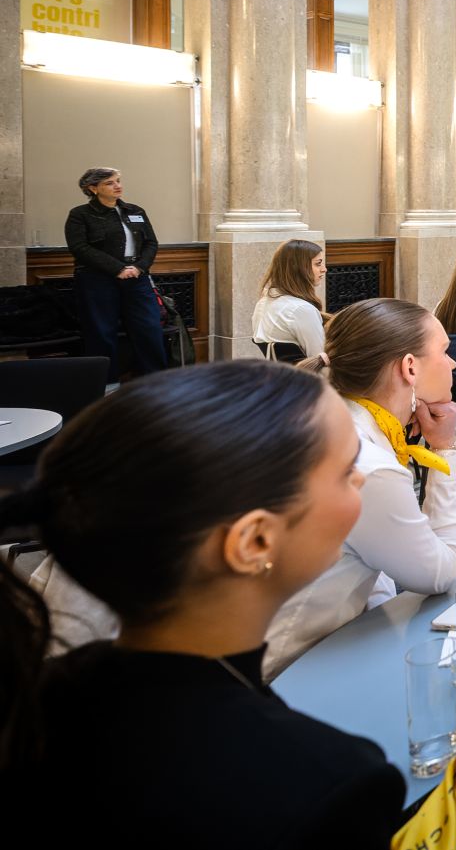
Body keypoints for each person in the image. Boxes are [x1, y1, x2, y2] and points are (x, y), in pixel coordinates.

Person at [0, 362, 406, 844]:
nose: (362, 482)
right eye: (345, 473)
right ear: (254, 542)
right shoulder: (328, 786)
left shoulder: (43, 696)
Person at [269, 298, 456, 674]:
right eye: (444, 351)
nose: (453, 363)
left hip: (331, 637)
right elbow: (438, 573)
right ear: (409, 367)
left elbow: (363, 557)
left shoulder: (332, 416)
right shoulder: (368, 466)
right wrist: (445, 450)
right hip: (292, 668)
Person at [62, 166, 167, 379]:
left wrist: (139, 267)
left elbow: (151, 243)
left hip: (137, 277)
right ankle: (105, 384)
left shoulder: (135, 211)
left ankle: (156, 380)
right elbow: (80, 248)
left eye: (118, 181)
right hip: (97, 279)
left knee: (149, 329)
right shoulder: (80, 215)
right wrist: (117, 269)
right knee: (102, 333)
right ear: (92, 188)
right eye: (110, 183)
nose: (118, 186)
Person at [252, 238, 328, 360]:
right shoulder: (301, 309)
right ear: (299, 268)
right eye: (318, 263)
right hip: (305, 378)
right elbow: (320, 360)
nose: (324, 269)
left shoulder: (263, 303)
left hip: (278, 375)